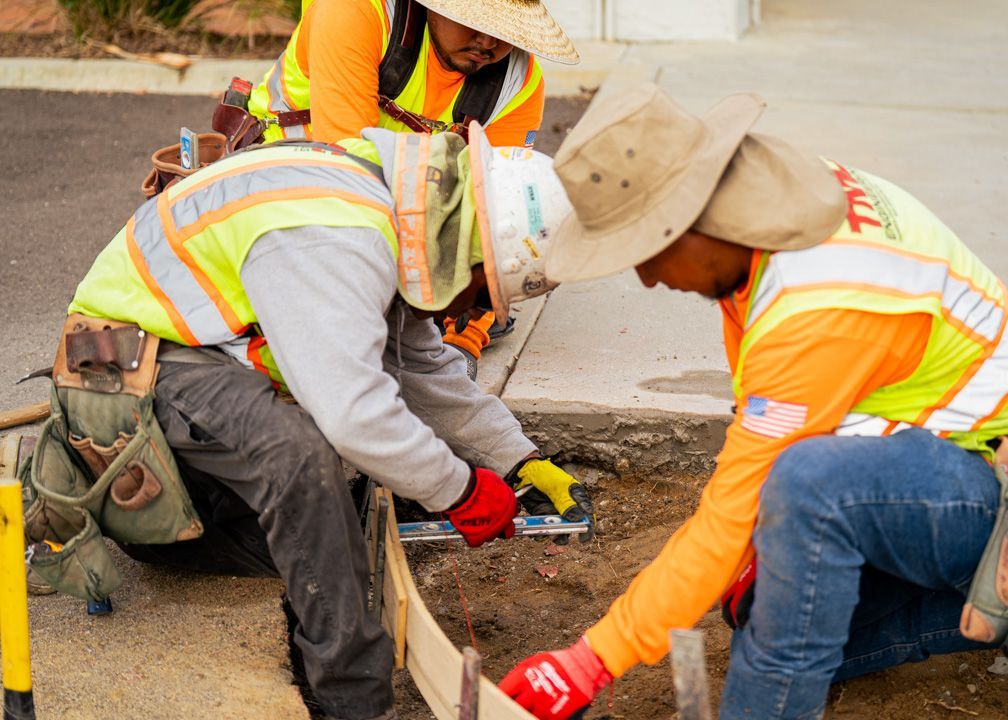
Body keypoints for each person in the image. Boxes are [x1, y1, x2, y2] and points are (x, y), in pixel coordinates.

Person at [497, 84, 1008, 719]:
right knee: (768, 607)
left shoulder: (819, 306)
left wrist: (592, 660)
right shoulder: (769, 221)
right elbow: (761, 433)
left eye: (643, 251)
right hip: (966, 466)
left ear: (691, 220)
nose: (647, 278)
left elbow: (742, 502)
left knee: (808, 492)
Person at [23, 125, 592, 720]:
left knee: (326, 542)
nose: (476, 310)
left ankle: (172, 534)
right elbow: (353, 412)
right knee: (300, 455)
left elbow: (420, 366)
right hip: (125, 374)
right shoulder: (336, 235)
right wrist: (459, 488)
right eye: (484, 290)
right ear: (472, 251)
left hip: (182, 360)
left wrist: (516, 458)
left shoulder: (396, 210)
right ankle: (353, 701)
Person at [244, 0, 580, 371]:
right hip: (292, 190)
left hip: (401, 213)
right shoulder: (354, 10)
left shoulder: (518, 81)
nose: (487, 41)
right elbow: (346, 179)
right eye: (474, 20)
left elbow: (501, 215)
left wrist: (466, 335)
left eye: (505, 30)